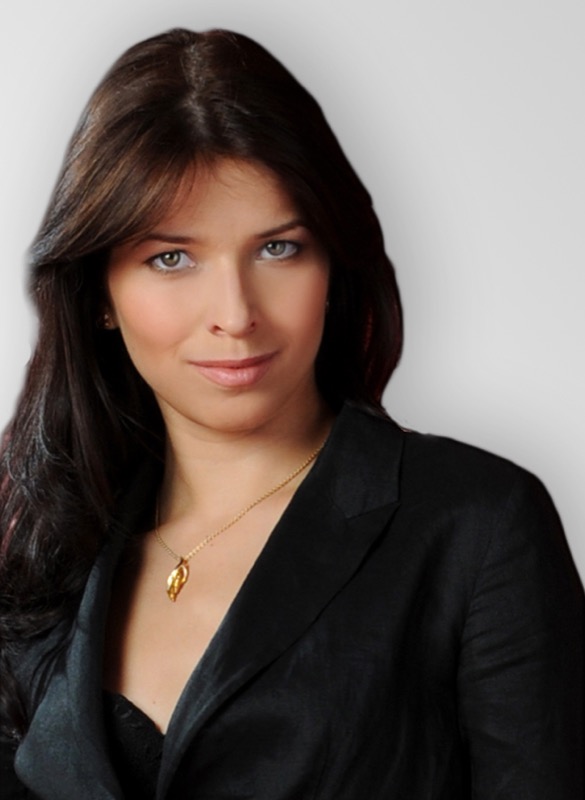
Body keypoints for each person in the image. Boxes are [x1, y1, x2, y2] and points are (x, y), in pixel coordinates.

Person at [0, 27, 582, 800]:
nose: (235, 314)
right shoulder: (40, 547)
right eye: (171, 258)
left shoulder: (477, 525)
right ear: (98, 294)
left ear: (333, 266)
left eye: (277, 249)